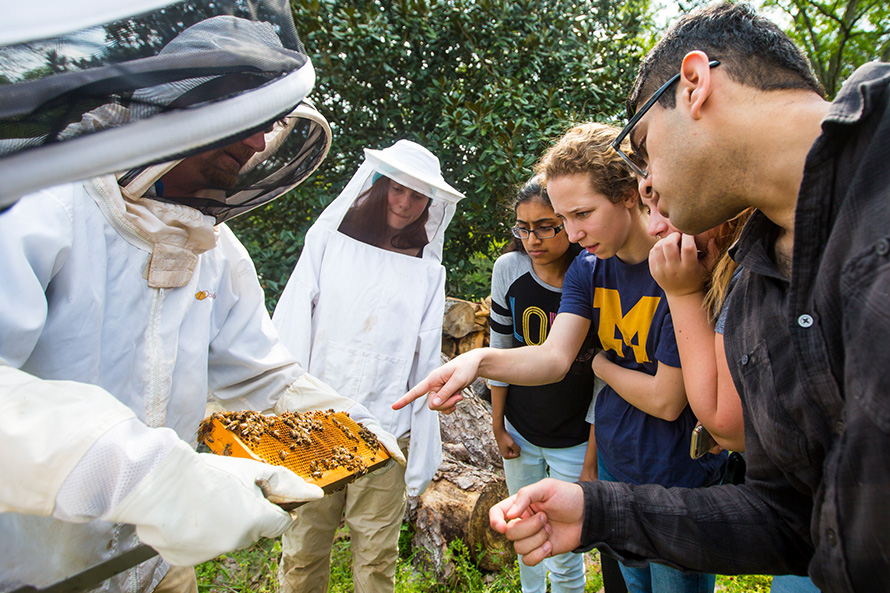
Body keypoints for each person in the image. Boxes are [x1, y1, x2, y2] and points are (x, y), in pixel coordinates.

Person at [488, 3, 890, 592]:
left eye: (643, 147)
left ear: (695, 85)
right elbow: (795, 519)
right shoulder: (747, 289)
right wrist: (602, 512)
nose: (646, 185)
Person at [0, 17, 404, 593]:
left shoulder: (215, 250)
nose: (257, 142)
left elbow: (261, 374)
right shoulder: (43, 209)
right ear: (172, 104)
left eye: (267, 124)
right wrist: (142, 474)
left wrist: (351, 422)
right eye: (238, 115)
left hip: (157, 565)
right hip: (35, 573)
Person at [397, 122, 726, 593]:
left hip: (675, 474)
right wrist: (480, 361)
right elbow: (552, 358)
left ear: (630, 195)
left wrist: (599, 365)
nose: (571, 233)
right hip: (617, 462)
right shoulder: (589, 269)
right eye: (564, 218)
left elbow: (669, 400)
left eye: (582, 214)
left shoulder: (680, 265)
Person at [272, 140, 464, 593]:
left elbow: (424, 356)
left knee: (376, 558)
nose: (404, 203)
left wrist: (424, 421)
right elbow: (294, 319)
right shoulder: (328, 243)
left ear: (429, 205)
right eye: (397, 189)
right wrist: (281, 411)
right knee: (303, 551)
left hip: (386, 426)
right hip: (316, 422)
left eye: (417, 196)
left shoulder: (428, 272)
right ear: (379, 186)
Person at [488, 176, 599, 593]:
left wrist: (591, 458)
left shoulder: (592, 270)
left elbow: (602, 378)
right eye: (523, 227)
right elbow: (500, 348)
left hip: (574, 437)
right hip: (520, 429)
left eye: (547, 226)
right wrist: (498, 427)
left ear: (568, 224)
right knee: (524, 534)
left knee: (566, 551)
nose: (533, 239)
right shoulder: (509, 270)